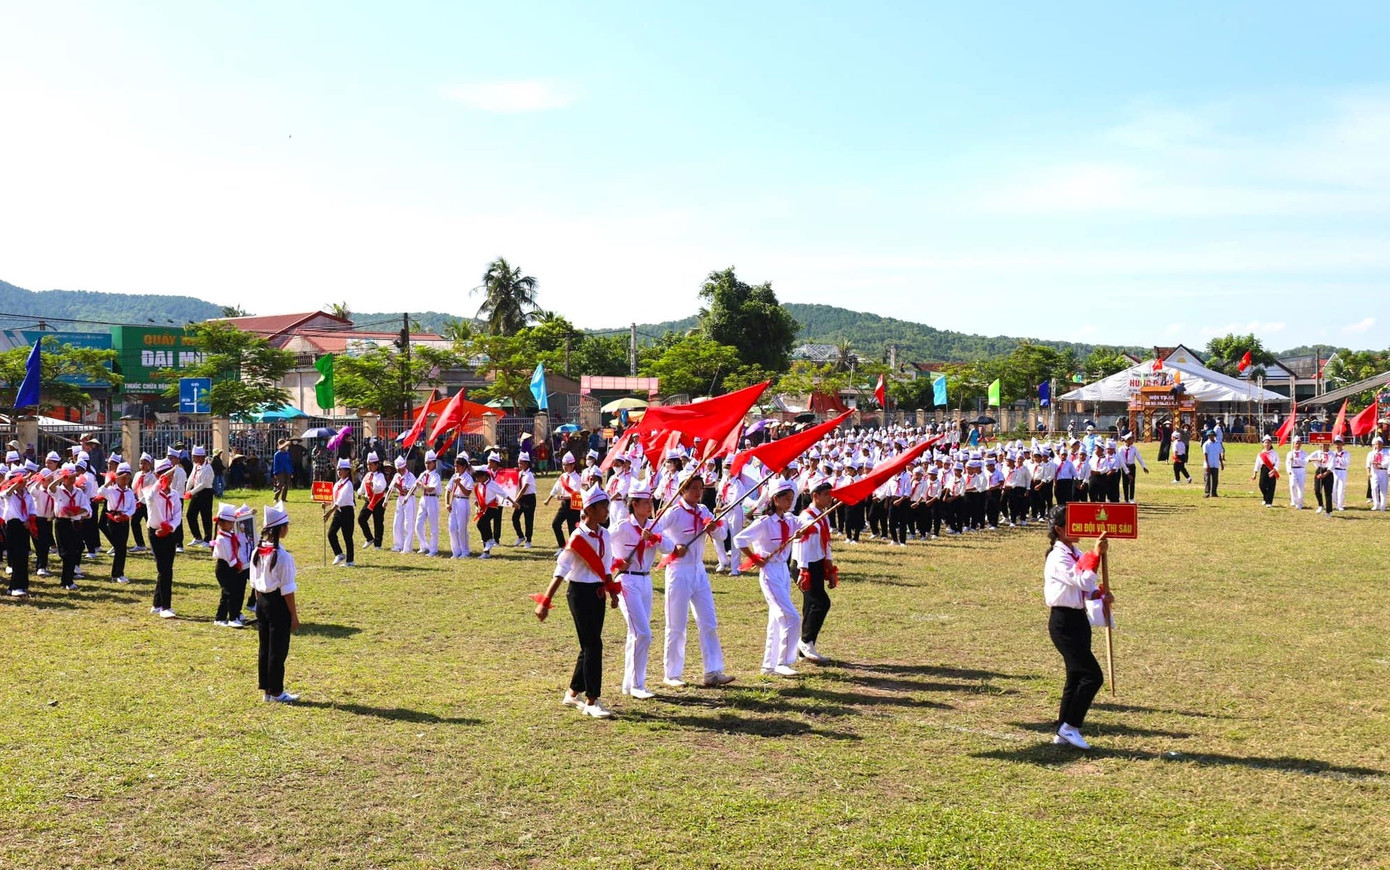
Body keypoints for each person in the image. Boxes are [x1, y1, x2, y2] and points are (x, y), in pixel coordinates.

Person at [531, 486, 620, 720]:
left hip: (598, 593)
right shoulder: (578, 537)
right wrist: (545, 601)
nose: (607, 510)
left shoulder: (605, 534)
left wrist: (612, 592)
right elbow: (561, 571)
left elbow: (607, 566)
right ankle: (592, 699)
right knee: (593, 645)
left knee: (589, 644)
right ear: (589, 509)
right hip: (579, 594)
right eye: (603, 506)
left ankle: (572, 693)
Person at [654, 473, 735, 688]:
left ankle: (713, 671)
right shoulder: (673, 512)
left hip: (699, 570)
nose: (699, 492)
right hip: (678, 569)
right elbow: (654, 533)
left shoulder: (704, 510)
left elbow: (722, 535)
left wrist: (714, 528)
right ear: (683, 490)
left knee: (708, 621)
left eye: (701, 488)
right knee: (676, 624)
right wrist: (672, 547)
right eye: (694, 488)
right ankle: (672, 674)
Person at [1044, 505, 1111, 750]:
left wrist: (1100, 594)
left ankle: (1062, 732)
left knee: (1075, 676)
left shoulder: (1075, 551)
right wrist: (1095, 555)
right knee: (1092, 676)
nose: (1079, 529)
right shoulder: (1057, 557)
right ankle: (1071, 726)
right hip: (1063, 622)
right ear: (1059, 529)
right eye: (1072, 525)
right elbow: (1081, 579)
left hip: (1079, 619)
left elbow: (1086, 588)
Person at [735, 479, 803, 677]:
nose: (790, 502)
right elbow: (739, 539)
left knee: (775, 619)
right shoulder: (764, 522)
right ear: (775, 499)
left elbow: (806, 523)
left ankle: (769, 665)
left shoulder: (790, 520)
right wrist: (755, 558)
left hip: (783, 570)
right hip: (770, 572)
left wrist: (804, 530)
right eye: (786, 498)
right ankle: (783, 661)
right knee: (790, 617)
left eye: (792, 499)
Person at [609, 485, 667, 699]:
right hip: (627, 580)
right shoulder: (622, 526)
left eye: (651, 502)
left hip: (646, 580)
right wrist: (616, 562)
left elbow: (670, 548)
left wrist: (654, 538)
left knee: (635, 633)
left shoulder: (654, 525)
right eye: (646, 503)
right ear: (634, 504)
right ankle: (637, 684)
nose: (650, 506)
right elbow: (601, 545)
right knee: (643, 633)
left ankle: (628, 683)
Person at [251, 503, 300, 703]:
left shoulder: (257, 551)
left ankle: (267, 690)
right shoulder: (283, 556)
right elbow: (287, 590)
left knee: (265, 647)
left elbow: (254, 584)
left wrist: (261, 604)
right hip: (277, 603)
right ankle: (277, 691)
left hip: (262, 601)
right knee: (278, 649)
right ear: (280, 529)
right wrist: (293, 615)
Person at [792, 480, 837, 664]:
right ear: (815, 496)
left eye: (830, 495)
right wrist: (803, 570)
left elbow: (826, 544)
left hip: (817, 564)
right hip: (804, 565)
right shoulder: (806, 517)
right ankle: (805, 641)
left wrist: (830, 569)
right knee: (820, 603)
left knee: (810, 605)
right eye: (826, 495)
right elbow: (800, 544)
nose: (829, 499)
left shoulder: (823, 516)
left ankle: (805, 648)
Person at [146, 459, 183, 617]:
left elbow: (178, 514)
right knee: (164, 569)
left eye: (171, 475)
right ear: (157, 476)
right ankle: (165, 607)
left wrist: (170, 527)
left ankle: (157, 604)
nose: (169, 478)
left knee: (167, 569)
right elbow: (152, 494)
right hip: (155, 533)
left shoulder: (174, 494)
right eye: (164, 475)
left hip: (169, 533)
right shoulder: (152, 493)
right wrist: (161, 480)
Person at [50, 464, 91, 592]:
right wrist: (61, 478)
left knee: (74, 551)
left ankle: (68, 580)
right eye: (69, 477)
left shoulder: (79, 492)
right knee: (65, 553)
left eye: (73, 476)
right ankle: (66, 580)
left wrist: (78, 511)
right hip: (62, 523)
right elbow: (50, 488)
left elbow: (87, 509)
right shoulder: (59, 490)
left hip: (75, 523)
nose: (72, 479)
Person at [212, 502, 249, 628]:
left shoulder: (231, 534)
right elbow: (229, 557)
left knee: (238, 591)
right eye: (229, 522)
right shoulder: (221, 538)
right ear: (221, 523)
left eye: (232, 522)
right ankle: (224, 617)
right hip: (226, 567)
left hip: (234, 566)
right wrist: (238, 566)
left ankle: (236, 613)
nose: (232, 525)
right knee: (228, 593)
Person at [98, 461, 136, 584]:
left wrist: (126, 515)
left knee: (122, 547)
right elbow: (100, 491)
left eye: (127, 478)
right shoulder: (111, 490)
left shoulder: (129, 492)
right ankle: (117, 574)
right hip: (113, 519)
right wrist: (111, 480)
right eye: (123, 478)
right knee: (120, 547)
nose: (125, 481)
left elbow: (132, 507)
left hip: (124, 519)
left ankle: (118, 573)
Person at [2, 469, 34, 595]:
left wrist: (30, 520)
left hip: (24, 526)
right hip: (13, 526)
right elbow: (7, 493)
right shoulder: (9, 493)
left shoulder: (27, 494)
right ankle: (16, 587)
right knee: (16, 557)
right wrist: (17, 482)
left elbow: (32, 509)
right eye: (21, 480)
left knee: (23, 556)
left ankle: (18, 585)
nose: (24, 483)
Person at [546, 452, 583, 554]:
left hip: (573, 505)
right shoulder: (562, 476)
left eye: (567, 465)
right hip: (564, 505)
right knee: (555, 524)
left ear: (572, 465)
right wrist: (548, 499)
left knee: (573, 529)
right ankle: (562, 546)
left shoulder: (577, 478)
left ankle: (573, 550)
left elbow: (576, 494)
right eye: (563, 465)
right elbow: (555, 488)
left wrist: (563, 497)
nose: (564, 467)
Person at [326, 458, 355, 567]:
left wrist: (330, 512)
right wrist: (326, 503)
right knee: (331, 533)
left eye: (341, 469)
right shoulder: (337, 484)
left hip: (347, 512)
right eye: (338, 469)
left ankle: (350, 561)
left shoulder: (348, 484)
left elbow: (341, 500)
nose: (339, 471)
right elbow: (334, 498)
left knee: (347, 537)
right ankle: (339, 553)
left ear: (347, 471)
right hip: (338, 511)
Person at [185, 445, 215, 547]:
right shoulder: (196, 466)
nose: (193, 459)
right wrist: (187, 489)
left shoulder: (208, 468)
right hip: (196, 492)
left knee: (205, 516)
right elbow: (191, 478)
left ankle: (207, 539)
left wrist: (191, 492)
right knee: (190, 515)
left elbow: (204, 484)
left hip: (206, 493)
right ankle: (197, 537)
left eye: (195, 457)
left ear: (201, 457)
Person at [413, 450, 441, 556]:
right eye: (426, 463)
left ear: (434, 463)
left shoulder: (436, 476)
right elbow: (416, 486)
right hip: (424, 499)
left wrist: (421, 484)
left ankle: (433, 549)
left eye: (429, 463)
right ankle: (424, 545)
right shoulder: (423, 474)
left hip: (432, 499)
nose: (427, 465)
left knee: (433, 526)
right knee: (418, 524)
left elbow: (430, 488)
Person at [445, 454, 474, 559]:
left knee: (461, 528)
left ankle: (465, 550)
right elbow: (448, 489)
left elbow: (467, 493)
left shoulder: (468, 478)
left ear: (464, 466)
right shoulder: (454, 476)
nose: (456, 468)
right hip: (454, 502)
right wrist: (447, 503)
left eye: (458, 466)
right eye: (455, 466)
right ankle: (456, 551)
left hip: (463, 502)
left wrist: (460, 484)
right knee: (452, 527)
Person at [357, 452, 387, 549]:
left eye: (371, 464)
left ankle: (378, 544)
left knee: (378, 522)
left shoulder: (380, 476)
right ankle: (369, 538)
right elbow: (362, 488)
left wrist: (373, 484)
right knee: (361, 518)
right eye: (368, 464)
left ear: (376, 465)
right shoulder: (367, 475)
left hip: (378, 500)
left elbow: (381, 487)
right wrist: (360, 493)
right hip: (369, 500)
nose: (369, 466)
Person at [389, 456, 418, 552]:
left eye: (401, 469)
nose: (400, 472)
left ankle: (407, 547)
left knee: (408, 523)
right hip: (400, 499)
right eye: (398, 470)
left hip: (409, 499)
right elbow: (391, 488)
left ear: (405, 467)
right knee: (397, 523)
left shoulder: (410, 476)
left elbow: (410, 491)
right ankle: (398, 545)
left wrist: (399, 488)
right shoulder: (396, 476)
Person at [510, 452, 537, 547]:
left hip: (529, 498)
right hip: (521, 498)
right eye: (519, 463)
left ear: (526, 463)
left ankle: (528, 540)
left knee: (528, 520)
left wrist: (515, 500)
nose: (519, 465)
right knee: (515, 518)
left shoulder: (529, 475)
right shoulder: (520, 473)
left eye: (521, 463)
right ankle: (520, 536)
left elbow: (523, 489)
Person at [1118, 433, 1149, 503]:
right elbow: (1120, 460)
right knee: (1125, 483)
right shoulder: (1121, 449)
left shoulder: (1134, 449)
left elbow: (1139, 457)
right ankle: (1126, 499)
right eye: (1131, 439)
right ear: (1127, 440)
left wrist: (1144, 466)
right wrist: (1123, 467)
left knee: (1132, 482)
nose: (1132, 441)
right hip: (1124, 466)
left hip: (1131, 466)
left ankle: (1131, 498)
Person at [1251, 435, 1280, 508]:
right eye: (1265, 442)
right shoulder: (1261, 454)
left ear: (1271, 444)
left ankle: (1269, 502)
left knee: (1271, 486)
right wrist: (1255, 473)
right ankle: (1265, 497)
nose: (1267, 444)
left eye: (1268, 443)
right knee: (1262, 485)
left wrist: (1274, 469)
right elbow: (1257, 464)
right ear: (1263, 444)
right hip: (1264, 469)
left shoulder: (1274, 453)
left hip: (1272, 469)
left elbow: (1277, 462)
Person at [1366, 436, 1390, 511]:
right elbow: (1368, 464)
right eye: (1376, 444)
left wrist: (1378, 463)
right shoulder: (1371, 453)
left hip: (1383, 472)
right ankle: (1376, 504)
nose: (1378, 445)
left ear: (1382, 444)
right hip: (1374, 472)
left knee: (1383, 489)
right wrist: (1368, 472)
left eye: (1379, 444)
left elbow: (1387, 462)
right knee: (1374, 488)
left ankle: (1383, 505)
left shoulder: (1387, 452)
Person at [1285, 436, 1309, 509]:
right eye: (1296, 443)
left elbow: (1304, 463)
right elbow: (1287, 463)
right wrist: (1288, 470)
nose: (1297, 445)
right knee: (1292, 485)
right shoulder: (1290, 453)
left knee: (1300, 487)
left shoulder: (1304, 453)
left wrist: (1295, 460)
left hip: (1301, 470)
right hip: (1293, 470)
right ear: (1293, 444)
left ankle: (1300, 503)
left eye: (1299, 443)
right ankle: (1294, 500)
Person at [1201, 430, 1225, 498]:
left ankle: (1214, 492)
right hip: (1208, 464)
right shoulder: (1206, 444)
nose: (1211, 437)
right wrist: (1207, 464)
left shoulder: (1218, 444)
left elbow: (1219, 454)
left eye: (1212, 435)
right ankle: (1207, 492)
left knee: (1215, 480)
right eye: (1209, 436)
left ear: (1214, 436)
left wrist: (1221, 463)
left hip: (1215, 464)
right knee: (1207, 479)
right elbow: (1205, 455)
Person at [1330, 435, 1351, 511]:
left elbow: (1346, 463)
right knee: (1333, 489)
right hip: (1334, 471)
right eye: (1336, 443)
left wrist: (1338, 458)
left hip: (1342, 471)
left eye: (1339, 443)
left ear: (1342, 444)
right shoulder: (1332, 453)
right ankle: (1336, 503)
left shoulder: (1346, 453)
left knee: (1341, 489)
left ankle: (1340, 505)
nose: (1337, 445)